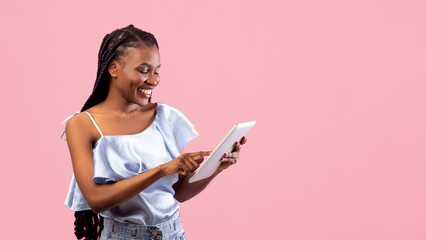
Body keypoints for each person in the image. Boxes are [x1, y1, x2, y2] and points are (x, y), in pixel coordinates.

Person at [60, 24, 247, 240]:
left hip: (173, 233)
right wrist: (161, 170)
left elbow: (179, 193)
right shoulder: (82, 124)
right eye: (143, 70)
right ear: (113, 68)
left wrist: (215, 168)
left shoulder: (165, 117)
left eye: (156, 70)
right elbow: (96, 200)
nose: (154, 80)